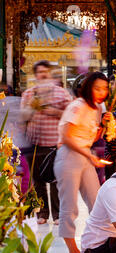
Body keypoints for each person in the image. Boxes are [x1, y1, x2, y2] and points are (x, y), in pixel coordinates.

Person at [54, 71, 112, 253]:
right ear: (88, 87)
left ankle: (98, 243)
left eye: (104, 88)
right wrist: (89, 155)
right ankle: (73, 251)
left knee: (97, 201)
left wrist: (104, 125)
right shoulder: (77, 105)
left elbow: (91, 137)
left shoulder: (97, 108)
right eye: (97, 88)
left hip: (86, 156)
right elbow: (67, 136)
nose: (101, 92)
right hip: (69, 155)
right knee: (69, 206)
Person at [20, 60, 73, 225]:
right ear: (35, 76)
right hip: (34, 143)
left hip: (56, 144)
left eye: (45, 72)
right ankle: (42, 214)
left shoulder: (61, 93)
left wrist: (55, 111)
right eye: (39, 72)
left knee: (57, 180)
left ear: (49, 74)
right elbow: (22, 118)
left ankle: (58, 215)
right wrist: (30, 108)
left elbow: (72, 113)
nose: (42, 75)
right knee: (38, 181)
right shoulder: (29, 94)